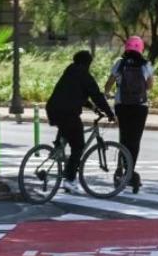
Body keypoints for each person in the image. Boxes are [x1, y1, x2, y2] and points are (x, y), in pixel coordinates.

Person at [45, 50, 116, 194]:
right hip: (68, 113)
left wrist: (93, 108)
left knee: (67, 128)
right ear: (88, 63)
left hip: (53, 109)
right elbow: (97, 95)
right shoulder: (85, 76)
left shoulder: (69, 72)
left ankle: (57, 147)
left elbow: (77, 94)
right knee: (78, 146)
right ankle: (70, 180)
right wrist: (110, 113)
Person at [103, 36, 154, 193]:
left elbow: (108, 85)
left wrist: (107, 95)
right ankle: (130, 171)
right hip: (140, 107)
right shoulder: (146, 65)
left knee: (123, 138)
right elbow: (150, 86)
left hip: (122, 106)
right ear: (141, 49)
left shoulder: (119, 63)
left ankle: (120, 168)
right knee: (135, 140)